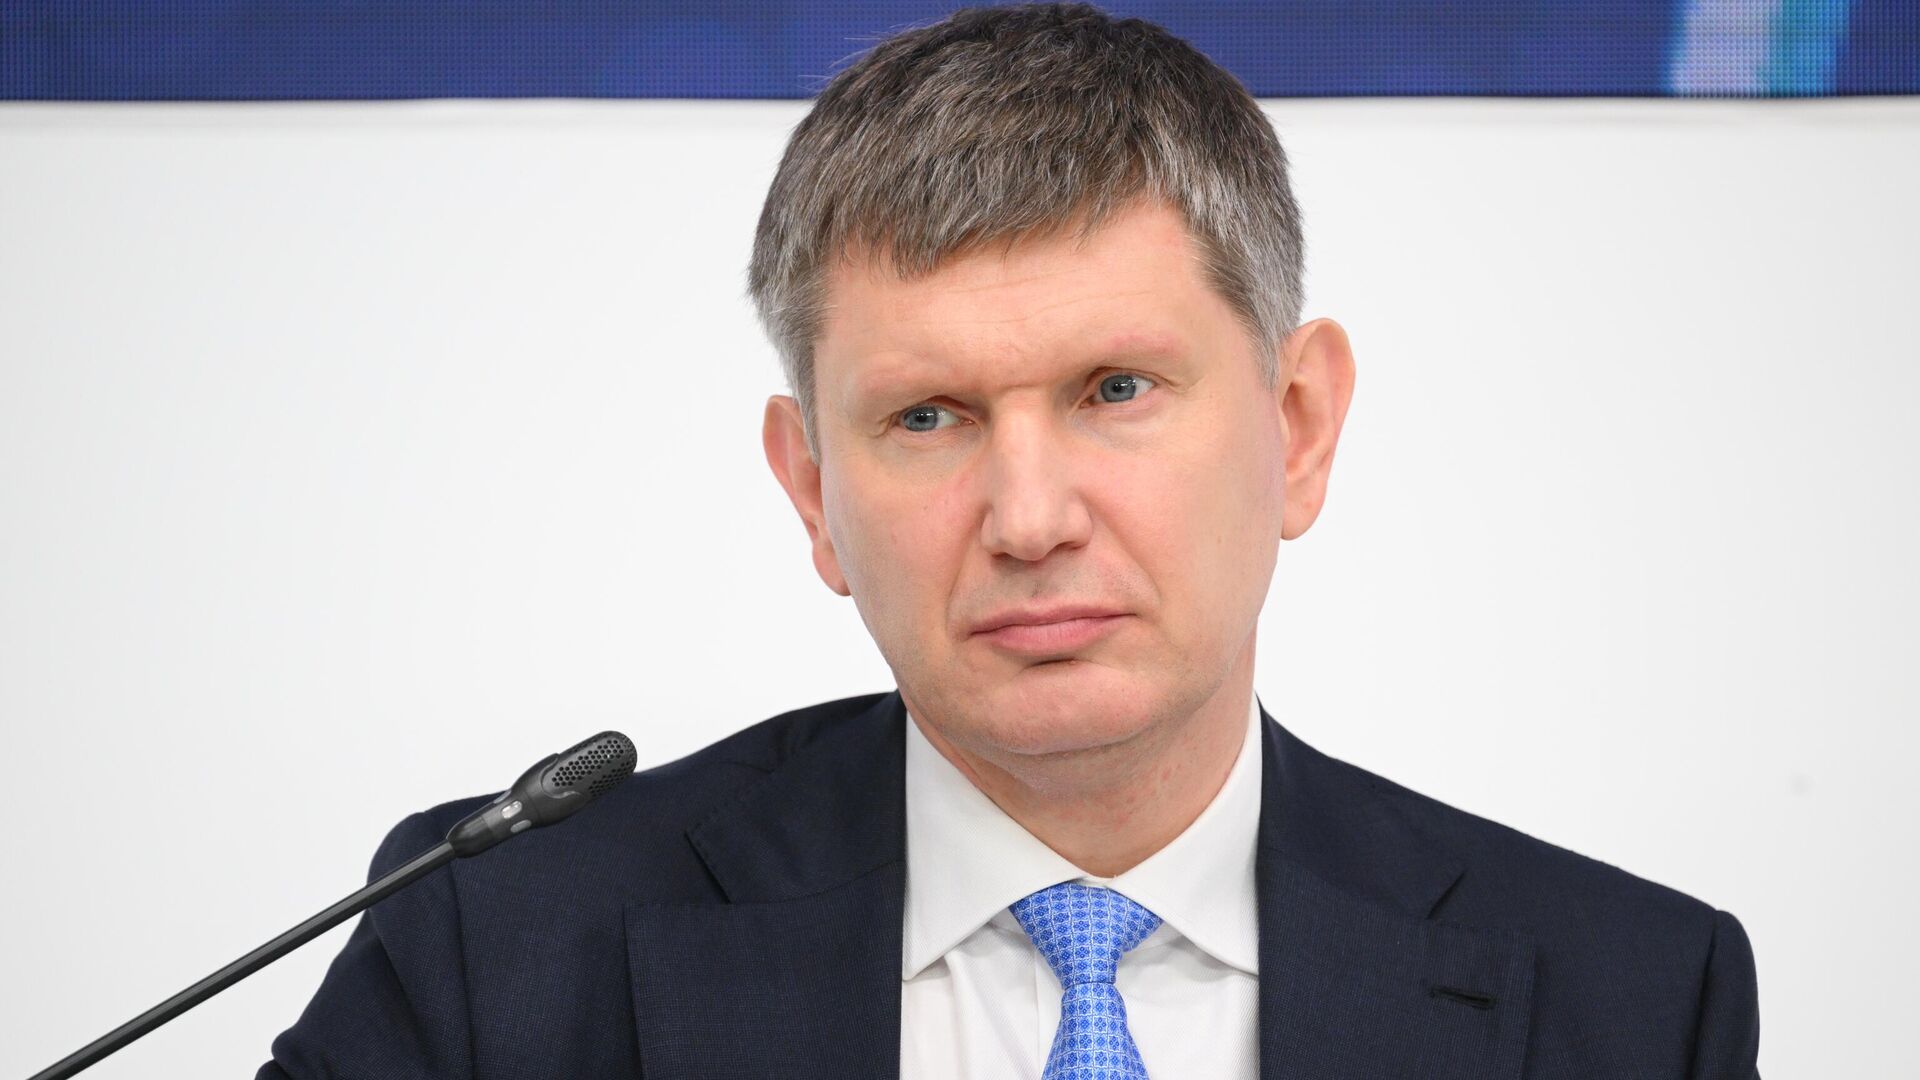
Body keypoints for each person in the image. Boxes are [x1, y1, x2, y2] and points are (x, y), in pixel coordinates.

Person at [259, 4, 1761, 1077]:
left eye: (1116, 391)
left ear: (1298, 425)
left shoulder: (1630, 1002)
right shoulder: (498, 949)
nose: (1031, 520)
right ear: (810, 489)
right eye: (927, 416)